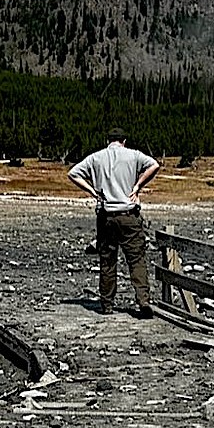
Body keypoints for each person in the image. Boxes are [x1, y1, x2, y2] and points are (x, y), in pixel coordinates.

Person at [68, 127, 160, 318]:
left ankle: (107, 304)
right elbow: (154, 165)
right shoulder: (134, 155)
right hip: (129, 214)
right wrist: (137, 186)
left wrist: (92, 191)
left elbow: (73, 173)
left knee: (108, 261)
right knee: (136, 260)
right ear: (123, 141)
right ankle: (143, 301)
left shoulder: (96, 158)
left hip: (106, 215)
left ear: (107, 140)